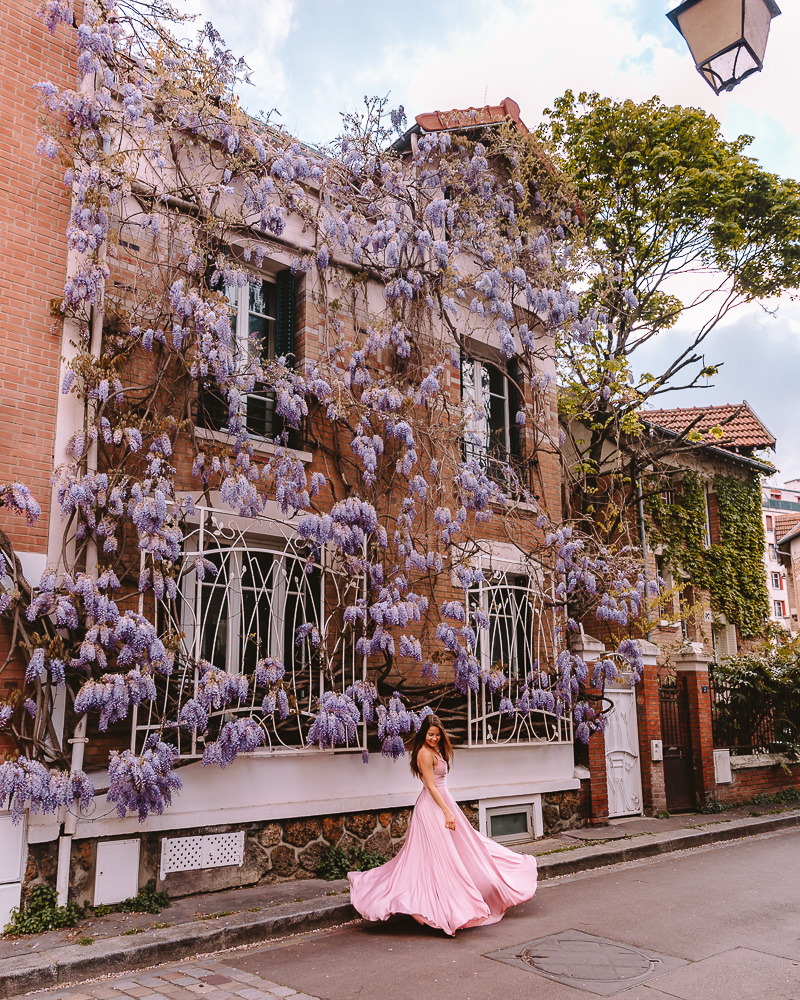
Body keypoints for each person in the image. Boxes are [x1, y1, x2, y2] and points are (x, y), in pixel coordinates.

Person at [348, 713, 538, 936]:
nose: (434, 738)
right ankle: (434, 906)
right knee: (440, 855)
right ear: (423, 734)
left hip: (443, 803)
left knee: (465, 848)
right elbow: (431, 786)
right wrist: (446, 811)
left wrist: (449, 808)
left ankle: (463, 895)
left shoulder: (436, 750)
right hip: (432, 807)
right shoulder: (423, 753)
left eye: (437, 735)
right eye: (430, 735)